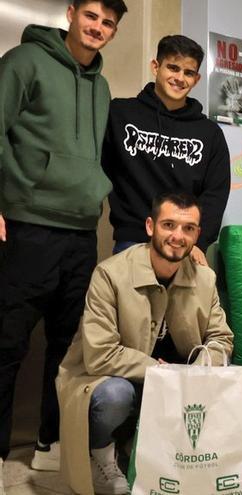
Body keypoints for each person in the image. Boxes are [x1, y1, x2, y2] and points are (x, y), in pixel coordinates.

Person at [0, 0, 127, 481]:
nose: (98, 28)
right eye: (92, 16)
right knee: (8, 342)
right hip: (27, 222)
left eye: (108, 23)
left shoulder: (102, 85)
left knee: (68, 346)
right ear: (72, 13)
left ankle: (48, 440)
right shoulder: (23, 62)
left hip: (79, 230)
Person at [55, 192, 234, 495]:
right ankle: (101, 454)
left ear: (197, 235)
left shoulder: (205, 278)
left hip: (175, 385)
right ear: (151, 226)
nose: (178, 236)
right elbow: (100, 354)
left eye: (188, 228)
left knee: (230, 375)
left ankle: (144, 446)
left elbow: (221, 339)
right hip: (108, 378)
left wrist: (199, 369)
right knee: (115, 395)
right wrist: (160, 371)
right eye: (169, 225)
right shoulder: (110, 274)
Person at [102, 34, 230, 262]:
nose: (180, 78)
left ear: (197, 79)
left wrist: (199, 243)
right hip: (133, 242)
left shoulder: (210, 133)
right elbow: (98, 165)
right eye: (173, 68)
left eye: (188, 73)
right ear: (155, 66)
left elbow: (215, 194)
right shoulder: (120, 114)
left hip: (185, 246)